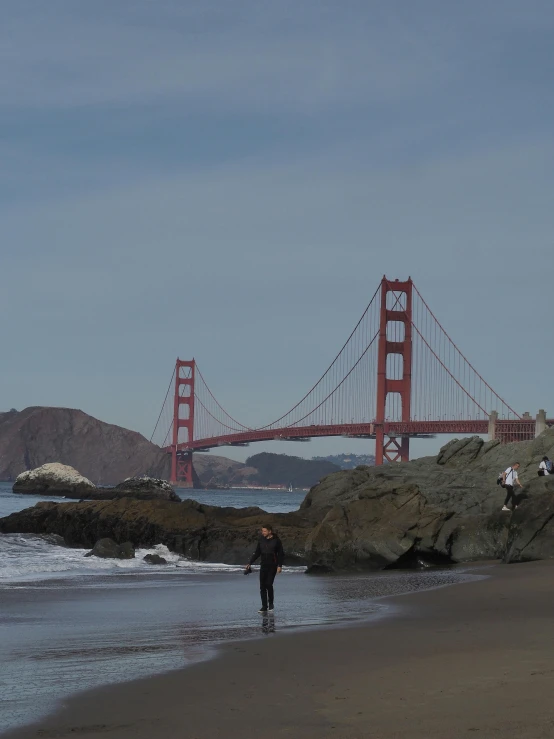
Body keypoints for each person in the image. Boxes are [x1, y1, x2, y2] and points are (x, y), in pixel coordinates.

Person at [245, 525, 284, 614]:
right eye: (262, 531)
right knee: (262, 586)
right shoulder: (261, 540)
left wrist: (280, 566)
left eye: (264, 531)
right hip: (263, 565)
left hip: (273, 565)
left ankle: (271, 603)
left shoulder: (276, 541)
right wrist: (250, 563)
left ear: (270, 531)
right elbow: (257, 552)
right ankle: (264, 606)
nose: (263, 533)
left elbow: (281, 554)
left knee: (268, 584)